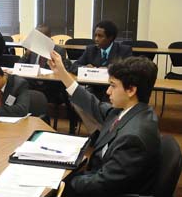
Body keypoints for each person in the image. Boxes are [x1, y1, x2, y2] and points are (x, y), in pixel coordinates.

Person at [48, 51, 160, 196]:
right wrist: (62, 73)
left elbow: (103, 185)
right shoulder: (132, 111)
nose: (108, 91)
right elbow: (92, 104)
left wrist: (64, 180)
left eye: (113, 85)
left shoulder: (133, 138)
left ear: (131, 90)